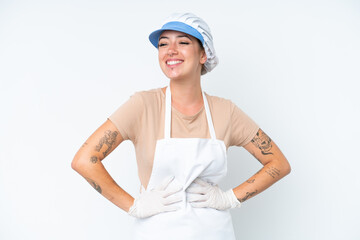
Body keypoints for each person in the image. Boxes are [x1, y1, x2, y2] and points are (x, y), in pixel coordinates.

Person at [71, 12, 291, 240]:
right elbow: (84, 160)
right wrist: (133, 206)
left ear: (204, 54)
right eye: (163, 44)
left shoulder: (226, 111)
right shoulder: (143, 106)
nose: (170, 50)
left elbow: (278, 163)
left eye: (183, 42)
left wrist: (229, 199)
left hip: (214, 233)